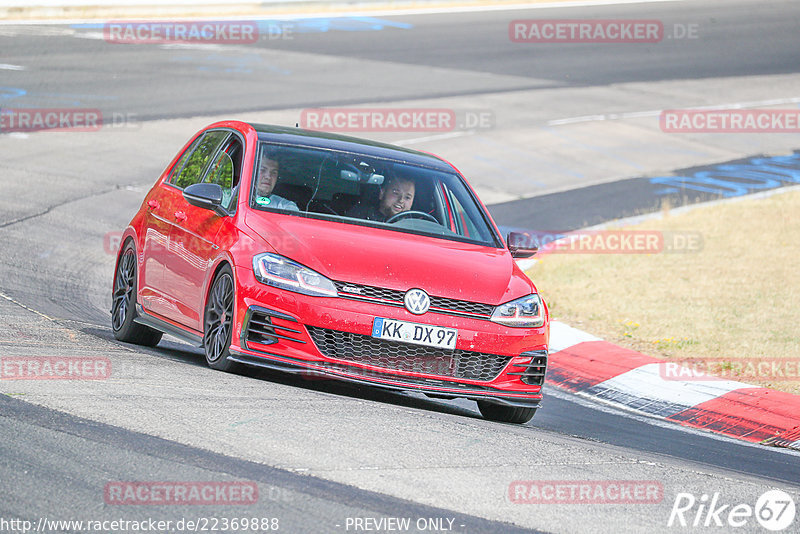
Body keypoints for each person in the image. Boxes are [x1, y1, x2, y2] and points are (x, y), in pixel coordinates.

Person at [346, 174, 415, 222]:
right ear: (382, 193)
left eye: (407, 197)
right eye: (396, 193)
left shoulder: (414, 226)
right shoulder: (360, 216)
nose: (401, 200)